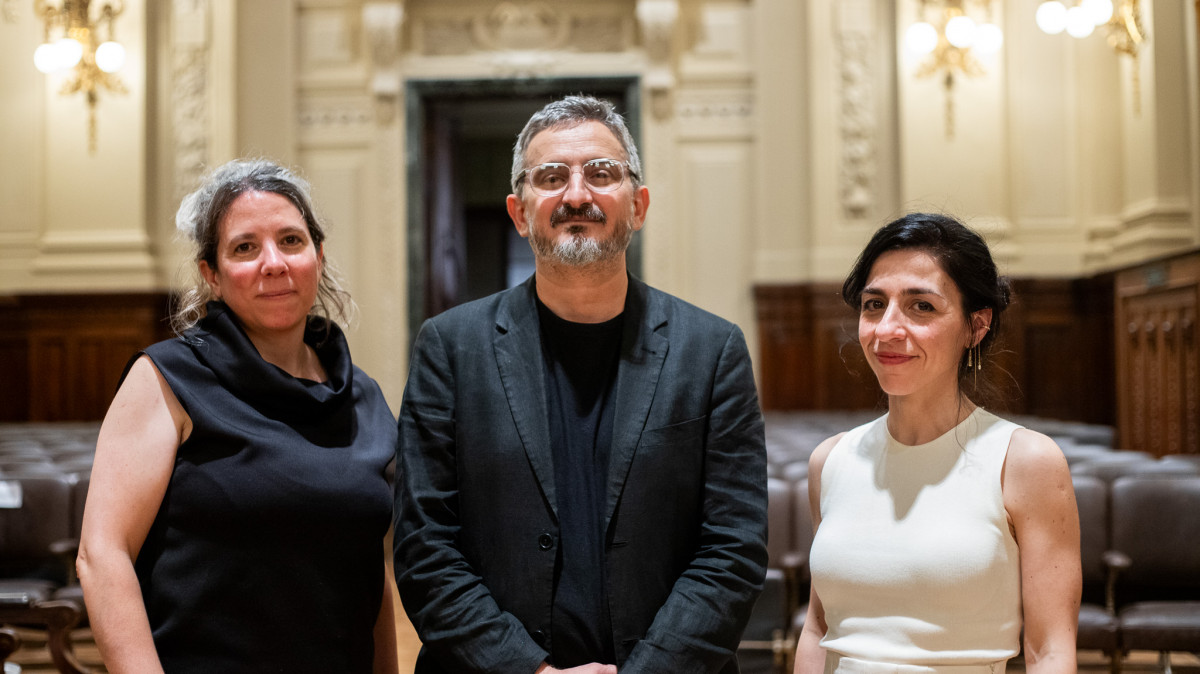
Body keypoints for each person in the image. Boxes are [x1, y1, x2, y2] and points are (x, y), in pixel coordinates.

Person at [394, 95, 769, 674]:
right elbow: (425, 549)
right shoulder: (448, 347)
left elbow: (732, 550)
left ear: (638, 205)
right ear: (519, 212)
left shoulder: (712, 351)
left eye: (601, 173)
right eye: (551, 177)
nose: (576, 195)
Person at [76, 159, 399, 673]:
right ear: (213, 275)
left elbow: (366, 567)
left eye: (291, 241)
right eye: (245, 247)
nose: (274, 262)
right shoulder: (167, 378)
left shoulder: (364, 396)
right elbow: (102, 553)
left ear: (318, 254)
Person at [793, 213, 1082, 674]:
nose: (886, 329)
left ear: (976, 326)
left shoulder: (1026, 461)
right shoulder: (829, 461)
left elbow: (1050, 651)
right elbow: (818, 629)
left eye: (921, 307)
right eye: (874, 304)